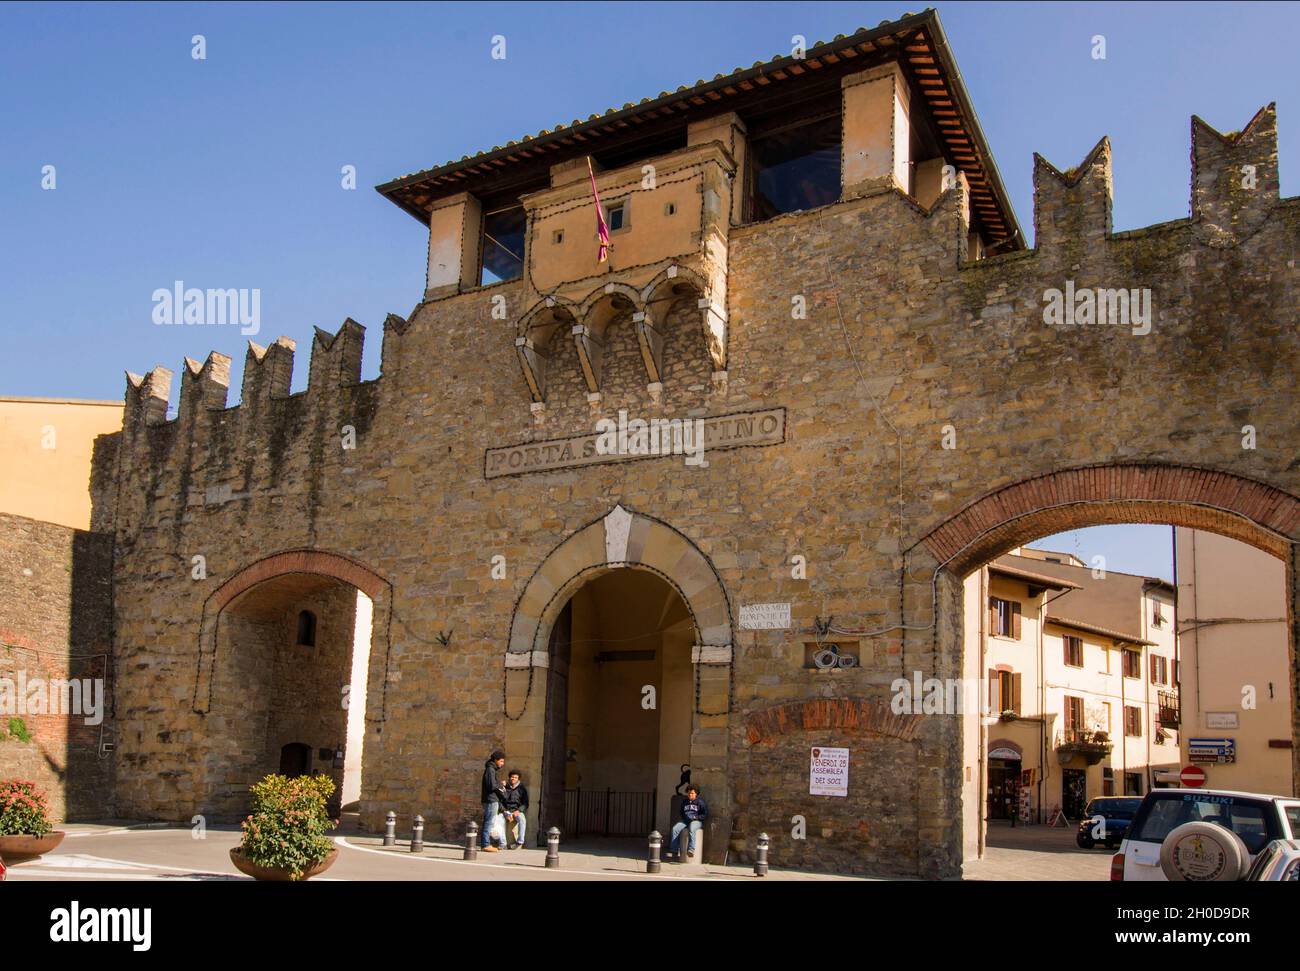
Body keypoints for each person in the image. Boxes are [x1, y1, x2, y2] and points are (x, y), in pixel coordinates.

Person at [669, 784, 707, 861]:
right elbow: (681, 812)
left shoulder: (700, 802)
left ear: (696, 793)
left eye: (692, 793)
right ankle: (674, 850)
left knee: (692, 828)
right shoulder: (685, 802)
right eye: (689, 793)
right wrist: (685, 818)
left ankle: (691, 849)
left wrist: (696, 817)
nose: (690, 795)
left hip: (696, 821)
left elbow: (704, 814)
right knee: (675, 829)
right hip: (685, 821)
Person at [480, 749, 507, 851]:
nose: (502, 764)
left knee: (489, 821)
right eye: (501, 761)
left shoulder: (492, 769)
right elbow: (491, 785)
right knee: (489, 822)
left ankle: (486, 843)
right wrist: (501, 784)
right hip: (491, 799)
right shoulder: (490, 769)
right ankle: (485, 844)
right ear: (495, 760)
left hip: (491, 799)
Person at [499, 769, 530, 849]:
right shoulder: (505, 787)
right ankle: (503, 844)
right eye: (512, 777)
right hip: (506, 810)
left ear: (518, 779)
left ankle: (519, 842)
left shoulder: (522, 789)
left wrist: (519, 810)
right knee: (500, 820)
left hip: (516, 810)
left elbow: (525, 803)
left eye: (515, 777)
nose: (513, 779)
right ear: (509, 778)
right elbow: (500, 801)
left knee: (522, 820)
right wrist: (505, 811)